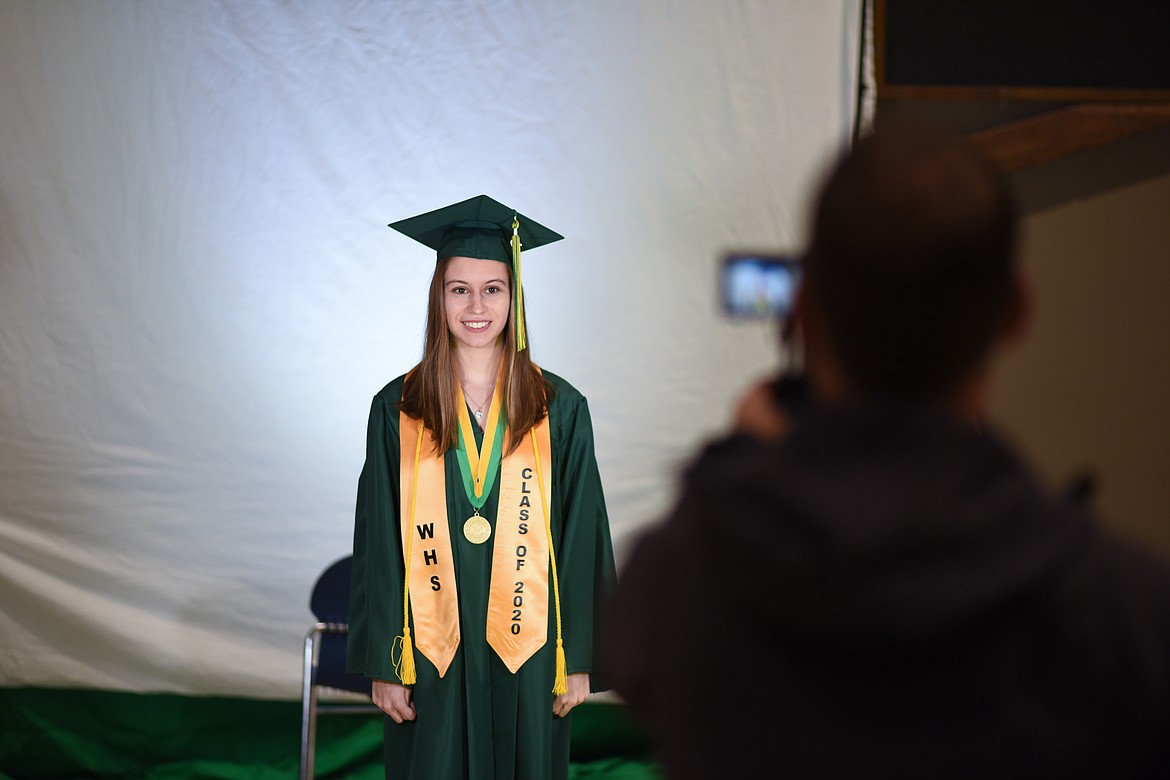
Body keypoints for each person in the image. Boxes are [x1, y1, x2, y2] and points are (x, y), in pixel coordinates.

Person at [602, 124, 1170, 778]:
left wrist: (742, 459)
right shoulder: (1124, 614)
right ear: (1015, 312)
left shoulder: (683, 579)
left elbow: (639, 666)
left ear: (803, 313)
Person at [348, 194, 616, 779]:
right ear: (437, 299)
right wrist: (386, 660)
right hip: (428, 646)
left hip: (532, 646)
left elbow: (582, 533)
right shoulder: (397, 408)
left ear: (514, 298)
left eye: (493, 288)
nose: (476, 306)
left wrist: (579, 657)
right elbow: (377, 542)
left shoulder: (559, 407)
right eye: (458, 288)